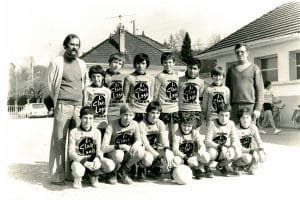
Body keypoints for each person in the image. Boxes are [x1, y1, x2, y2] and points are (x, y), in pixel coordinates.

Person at [47, 34, 88, 184]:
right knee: (60, 140)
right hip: (63, 106)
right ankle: (58, 175)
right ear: (66, 45)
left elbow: (85, 85)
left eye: (77, 45)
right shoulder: (57, 62)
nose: (74, 48)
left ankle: (73, 173)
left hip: (78, 106)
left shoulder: (82, 63)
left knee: (76, 141)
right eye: (72, 44)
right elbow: (50, 85)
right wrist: (56, 103)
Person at [68, 106, 115, 189]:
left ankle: (93, 175)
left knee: (110, 165)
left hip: (92, 159)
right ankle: (78, 178)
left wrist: (97, 158)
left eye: (90, 118)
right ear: (80, 118)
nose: (88, 121)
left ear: (93, 119)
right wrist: (84, 162)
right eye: (85, 118)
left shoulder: (97, 132)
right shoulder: (74, 131)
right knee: (78, 171)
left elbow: (99, 150)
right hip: (79, 160)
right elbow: (71, 152)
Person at [101, 104, 145, 184]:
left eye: (130, 115)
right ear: (120, 115)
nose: (128, 118)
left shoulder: (134, 124)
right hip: (113, 153)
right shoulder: (112, 125)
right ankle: (112, 172)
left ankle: (123, 171)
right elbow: (103, 147)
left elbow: (139, 140)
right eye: (125, 115)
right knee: (119, 154)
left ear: (134, 116)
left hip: (127, 151)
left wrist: (135, 145)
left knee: (140, 151)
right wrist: (120, 146)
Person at [226, 43, 264, 124]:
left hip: (250, 106)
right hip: (234, 107)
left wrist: (258, 108)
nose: (240, 54)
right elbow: (227, 90)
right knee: (234, 134)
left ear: (247, 53)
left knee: (248, 134)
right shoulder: (231, 70)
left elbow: (260, 90)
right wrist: (227, 108)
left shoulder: (255, 68)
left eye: (242, 52)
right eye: (237, 52)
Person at [138, 101, 175, 180]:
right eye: (153, 113)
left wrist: (167, 149)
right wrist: (158, 156)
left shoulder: (160, 123)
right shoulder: (141, 124)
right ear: (147, 112)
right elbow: (146, 145)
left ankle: (155, 167)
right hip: (145, 150)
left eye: (158, 113)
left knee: (170, 154)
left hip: (155, 148)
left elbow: (164, 139)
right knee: (148, 158)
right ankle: (141, 167)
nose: (155, 116)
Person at [204, 104, 242, 177]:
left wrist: (232, 148)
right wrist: (220, 147)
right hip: (213, 149)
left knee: (238, 152)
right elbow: (207, 141)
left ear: (229, 115)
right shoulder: (212, 123)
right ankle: (207, 166)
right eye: (221, 115)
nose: (224, 118)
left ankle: (221, 165)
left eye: (226, 115)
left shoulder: (231, 123)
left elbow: (235, 139)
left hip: (223, 150)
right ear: (217, 114)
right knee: (211, 153)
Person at [172, 113, 210, 179]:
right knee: (176, 160)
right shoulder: (177, 134)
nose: (186, 128)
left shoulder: (195, 133)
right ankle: (175, 171)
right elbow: (175, 150)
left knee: (205, 156)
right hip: (183, 158)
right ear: (180, 124)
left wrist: (197, 156)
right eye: (184, 125)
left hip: (193, 158)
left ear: (192, 126)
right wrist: (186, 158)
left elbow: (202, 146)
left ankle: (198, 168)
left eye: (189, 126)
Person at [173, 58, 205, 136]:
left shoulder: (201, 82)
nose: (192, 70)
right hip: (182, 111)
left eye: (195, 68)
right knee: (181, 135)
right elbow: (175, 96)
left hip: (195, 111)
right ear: (187, 67)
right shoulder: (179, 80)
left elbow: (200, 97)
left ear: (198, 70)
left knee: (195, 135)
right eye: (190, 67)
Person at [153, 52, 179, 144]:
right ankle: (160, 151)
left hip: (174, 109)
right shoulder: (159, 77)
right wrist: (155, 107)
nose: (167, 65)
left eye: (170, 62)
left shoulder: (176, 76)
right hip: (163, 110)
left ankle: (173, 150)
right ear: (162, 64)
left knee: (174, 134)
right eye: (165, 62)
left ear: (174, 63)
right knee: (161, 133)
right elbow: (155, 93)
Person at [232, 107, 266, 175]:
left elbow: (259, 140)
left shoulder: (253, 127)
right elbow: (238, 147)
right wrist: (251, 151)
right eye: (243, 118)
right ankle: (235, 164)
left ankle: (250, 166)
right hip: (240, 152)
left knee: (262, 157)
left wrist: (261, 150)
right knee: (248, 158)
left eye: (248, 117)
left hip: (250, 151)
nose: (245, 120)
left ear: (251, 118)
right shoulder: (236, 129)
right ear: (239, 119)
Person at [123, 53, 155, 122]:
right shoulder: (129, 78)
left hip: (146, 112)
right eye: (138, 63)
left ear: (147, 65)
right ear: (134, 64)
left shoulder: (151, 78)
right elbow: (125, 97)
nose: (140, 66)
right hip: (133, 112)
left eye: (143, 63)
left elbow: (151, 96)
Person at [83, 65, 111, 137]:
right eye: (93, 76)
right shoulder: (87, 89)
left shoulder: (107, 91)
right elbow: (84, 106)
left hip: (103, 121)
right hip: (92, 121)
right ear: (91, 78)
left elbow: (107, 105)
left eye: (98, 76)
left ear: (103, 77)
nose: (96, 79)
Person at [105, 53, 126, 122]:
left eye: (120, 64)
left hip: (121, 111)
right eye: (115, 62)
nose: (117, 66)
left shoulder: (124, 78)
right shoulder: (103, 76)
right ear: (110, 63)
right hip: (108, 111)